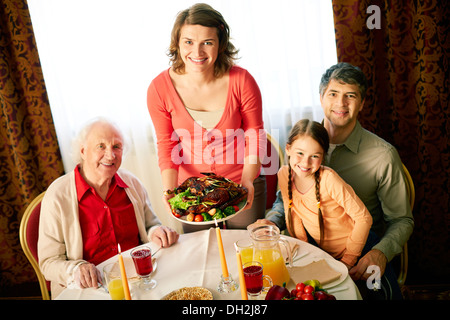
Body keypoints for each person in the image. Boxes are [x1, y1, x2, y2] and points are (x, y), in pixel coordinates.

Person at [251, 62, 414, 299]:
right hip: (313, 252)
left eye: (351, 96)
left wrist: (380, 252)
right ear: (321, 97)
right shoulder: (304, 146)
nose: (340, 103)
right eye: (333, 94)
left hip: (363, 255)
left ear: (362, 103)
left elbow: (402, 220)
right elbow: (284, 198)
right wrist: (272, 223)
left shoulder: (383, 156)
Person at [147, 3, 266, 231]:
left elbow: (255, 134)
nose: (198, 52)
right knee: (203, 256)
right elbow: (166, 143)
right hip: (193, 192)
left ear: (220, 44)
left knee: (249, 255)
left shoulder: (242, 81)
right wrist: (170, 190)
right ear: (177, 43)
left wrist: (248, 180)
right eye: (189, 42)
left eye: (207, 43)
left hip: (242, 181)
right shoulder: (159, 89)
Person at [38, 117, 179, 299]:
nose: (111, 155)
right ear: (83, 151)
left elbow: (150, 225)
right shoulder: (57, 196)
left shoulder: (132, 184)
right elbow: (48, 263)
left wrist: (157, 232)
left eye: (116, 147)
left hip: (140, 279)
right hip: (89, 289)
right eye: (101, 146)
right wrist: (76, 269)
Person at [280, 119, 372, 268]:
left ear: (323, 156)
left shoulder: (329, 179)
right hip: (326, 255)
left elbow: (364, 218)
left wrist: (347, 261)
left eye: (315, 156)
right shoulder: (283, 175)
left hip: (358, 249)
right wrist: (304, 252)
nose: (305, 163)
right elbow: (294, 215)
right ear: (288, 149)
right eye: (300, 153)